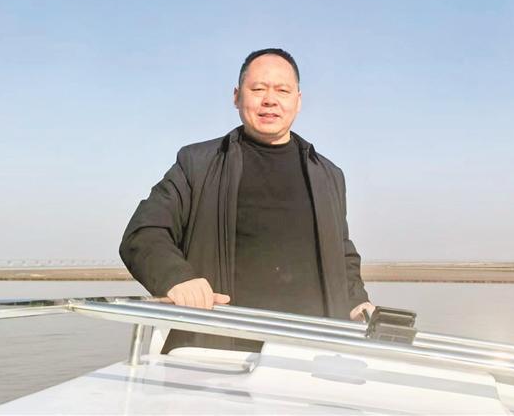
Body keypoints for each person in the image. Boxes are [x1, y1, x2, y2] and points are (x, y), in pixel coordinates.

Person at [120, 48, 373, 348]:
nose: (270, 100)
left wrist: (357, 301)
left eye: (282, 90)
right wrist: (176, 277)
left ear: (298, 100)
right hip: (220, 351)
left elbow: (342, 253)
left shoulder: (328, 174)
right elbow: (144, 233)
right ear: (237, 97)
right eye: (258, 89)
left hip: (313, 351)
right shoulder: (197, 164)